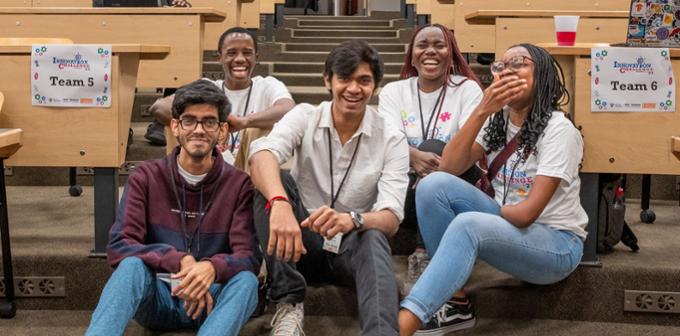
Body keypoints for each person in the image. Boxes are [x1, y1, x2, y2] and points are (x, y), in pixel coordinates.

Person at [398, 44, 587, 335]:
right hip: (512, 229)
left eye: (520, 64)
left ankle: (402, 325)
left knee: (468, 224)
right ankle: (455, 303)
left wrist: (483, 219)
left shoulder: (559, 131)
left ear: (543, 76)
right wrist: (483, 109)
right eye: (503, 65)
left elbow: (526, 215)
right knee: (431, 185)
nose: (509, 70)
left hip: (556, 246)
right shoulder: (497, 122)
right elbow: (447, 167)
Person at [248, 40, 409, 336]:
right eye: (344, 78)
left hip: (350, 246)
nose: (353, 89)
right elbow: (261, 155)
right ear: (328, 80)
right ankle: (289, 303)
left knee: (373, 236)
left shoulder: (391, 136)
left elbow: (391, 218)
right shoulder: (305, 115)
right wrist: (281, 203)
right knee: (272, 186)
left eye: (364, 80)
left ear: (375, 86)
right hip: (298, 243)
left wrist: (353, 219)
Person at [86, 80, 261, 336]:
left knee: (246, 282)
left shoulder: (239, 184)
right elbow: (120, 245)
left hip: (210, 299)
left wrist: (211, 268)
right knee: (131, 267)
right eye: (189, 120)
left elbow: (248, 255)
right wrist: (179, 260)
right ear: (175, 127)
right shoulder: (145, 176)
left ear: (222, 131)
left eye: (209, 122)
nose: (199, 130)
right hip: (158, 296)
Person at [377, 23, 483, 295]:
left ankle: (424, 252)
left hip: (454, 192)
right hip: (404, 196)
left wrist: (428, 163)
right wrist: (411, 155)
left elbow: (469, 146)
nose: (430, 51)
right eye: (422, 45)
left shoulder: (467, 89)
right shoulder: (393, 91)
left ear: (452, 52)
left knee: (436, 146)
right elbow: (386, 142)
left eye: (439, 45)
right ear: (411, 54)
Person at [148, 27, 295, 163]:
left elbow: (289, 110)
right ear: (220, 57)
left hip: (251, 169)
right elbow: (159, 107)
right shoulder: (207, 86)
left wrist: (245, 121)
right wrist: (212, 124)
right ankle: (182, 182)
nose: (240, 59)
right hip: (209, 162)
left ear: (255, 57)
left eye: (247, 53)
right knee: (180, 122)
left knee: (258, 127)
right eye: (231, 53)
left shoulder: (267, 85)